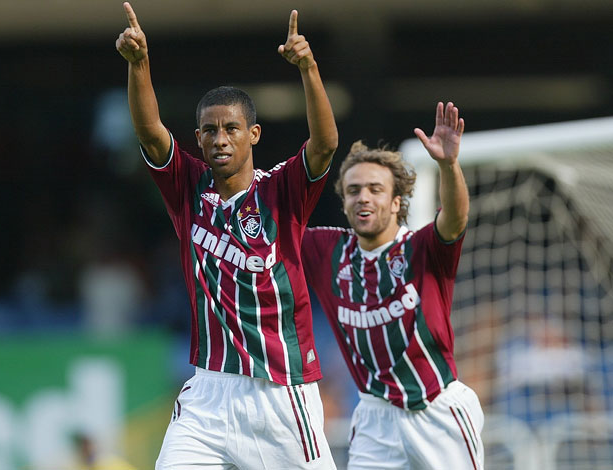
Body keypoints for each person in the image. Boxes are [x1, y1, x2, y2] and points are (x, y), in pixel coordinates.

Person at [115, 2, 338, 469]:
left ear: (253, 134)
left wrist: (309, 69)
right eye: (210, 130)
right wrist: (139, 66)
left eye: (231, 128)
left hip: (281, 392)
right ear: (198, 138)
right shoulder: (187, 189)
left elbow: (325, 145)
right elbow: (151, 132)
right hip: (208, 393)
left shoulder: (282, 192)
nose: (220, 138)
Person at [302, 102, 484, 469]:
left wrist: (448, 165)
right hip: (373, 418)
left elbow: (455, 218)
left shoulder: (422, 248)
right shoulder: (325, 250)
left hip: (438, 411)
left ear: (397, 200)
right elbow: (272, 230)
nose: (363, 197)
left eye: (375, 189)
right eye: (354, 191)